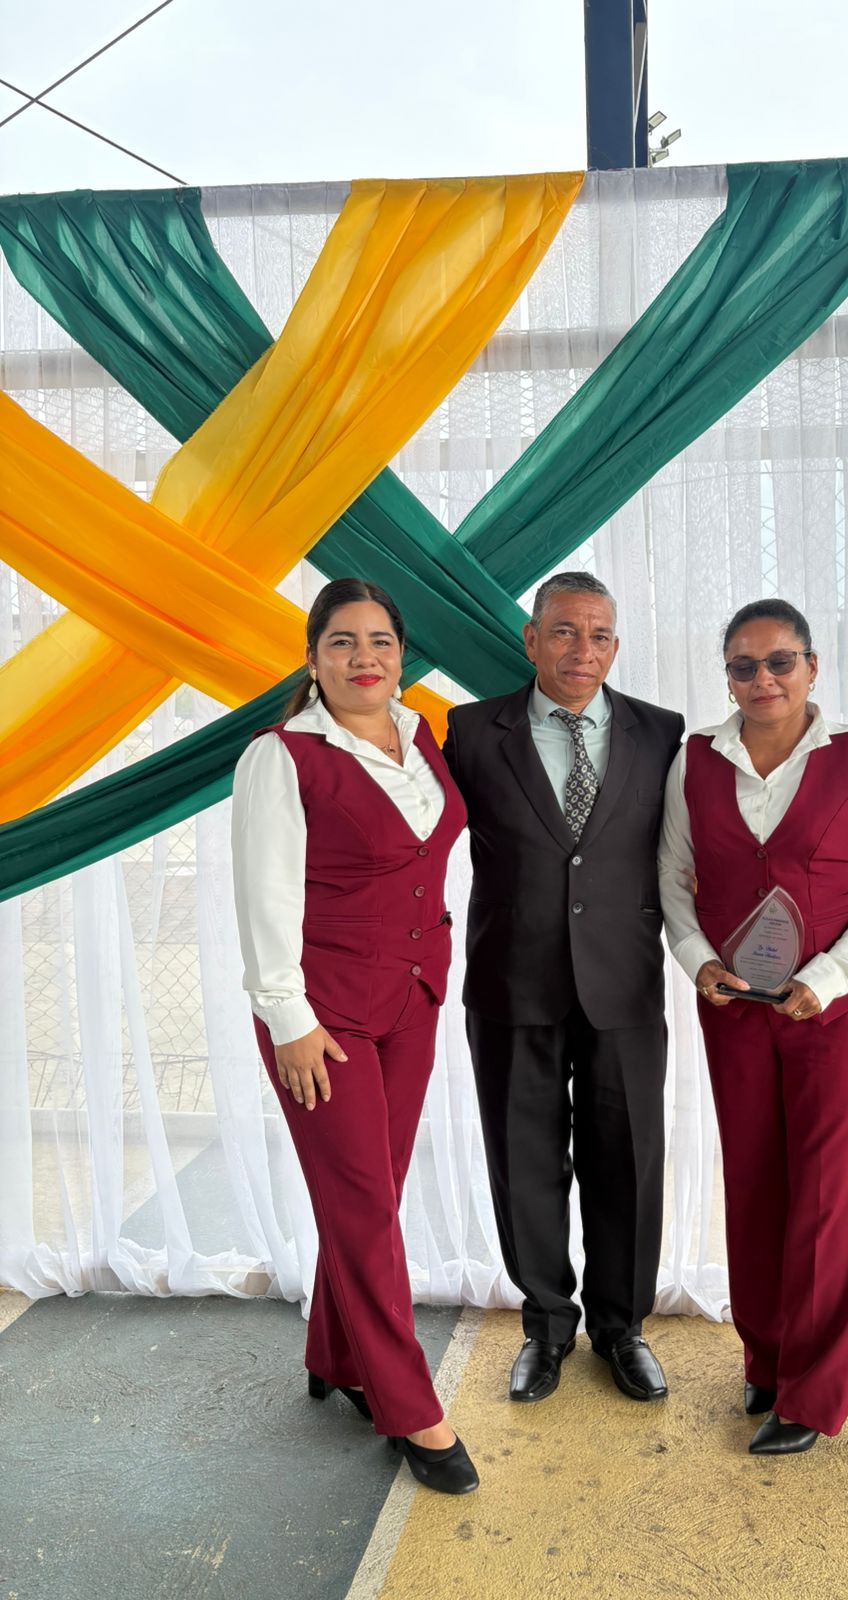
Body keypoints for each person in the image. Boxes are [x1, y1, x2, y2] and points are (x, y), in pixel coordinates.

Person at [658, 598, 848, 1455]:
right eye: (744, 666)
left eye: (780, 662)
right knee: (755, 1182)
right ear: (727, 676)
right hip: (734, 1010)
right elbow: (673, 874)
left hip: (832, 1014)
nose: (763, 679)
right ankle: (766, 1360)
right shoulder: (696, 759)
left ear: (813, 667)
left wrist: (829, 978)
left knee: (829, 1196)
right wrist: (698, 962)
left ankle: (814, 1394)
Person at [231, 577, 478, 1495]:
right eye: (342, 642)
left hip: (412, 1000)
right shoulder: (281, 757)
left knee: (375, 1193)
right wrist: (286, 1019)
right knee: (366, 1206)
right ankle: (412, 1408)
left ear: (402, 655)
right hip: (321, 1017)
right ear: (312, 659)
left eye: (380, 641)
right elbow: (262, 896)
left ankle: (336, 1354)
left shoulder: (424, 738)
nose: (363, 657)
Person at [444, 573, 683, 1406]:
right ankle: (546, 1327)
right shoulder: (470, 732)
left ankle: (622, 1329)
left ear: (616, 645)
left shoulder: (662, 733)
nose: (584, 650)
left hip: (625, 984)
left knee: (629, 1161)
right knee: (524, 1163)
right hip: (511, 983)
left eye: (600, 635)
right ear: (531, 639)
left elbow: (692, 850)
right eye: (565, 632)